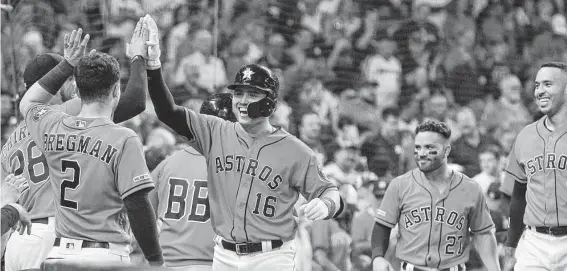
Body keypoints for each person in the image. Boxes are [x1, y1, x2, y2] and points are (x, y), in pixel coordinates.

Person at [142, 14, 341, 271]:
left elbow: (331, 192)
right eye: (238, 93)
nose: (242, 101)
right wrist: (155, 65)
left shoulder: (295, 150)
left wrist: (326, 205)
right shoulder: (215, 130)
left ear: (270, 101)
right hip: (223, 255)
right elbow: (167, 111)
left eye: (252, 94)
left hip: (272, 256)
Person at [0, 20, 149, 270]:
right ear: (52, 84)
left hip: (18, 238)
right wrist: (139, 58)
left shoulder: (9, 143)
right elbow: (134, 101)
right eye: (68, 79)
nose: (73, 85)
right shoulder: (65, 114)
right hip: (53, 237)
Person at [371, 120, 500, 271]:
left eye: (429, 147)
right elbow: (382, 226)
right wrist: (378, 257)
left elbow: (484, 234)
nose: (422, 153)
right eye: (418, 147)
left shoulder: (470, 188)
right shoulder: (400, 185)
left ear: (446, 151)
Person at [146, 93, 236, 270]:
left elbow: (142, 211)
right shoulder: (237, 169)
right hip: (212, 263)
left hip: (167, 262)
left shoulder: (168, 163)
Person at [504, 62, 567, 271]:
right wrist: (511, 246)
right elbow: (518, 196)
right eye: (537, 85)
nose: (540, 91)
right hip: (535, 243)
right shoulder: (525, 136)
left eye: (548, 84)